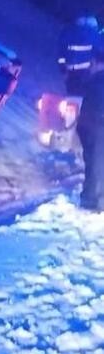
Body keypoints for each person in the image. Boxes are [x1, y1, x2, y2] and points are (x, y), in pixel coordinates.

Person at [77, 45, 104, 210]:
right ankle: (93, 198)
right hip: (96, 127)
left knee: (95, 164)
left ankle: (92, 199)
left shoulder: (96, 81)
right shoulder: (96, 81)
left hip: (96, 128)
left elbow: (91, 107)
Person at [57, 13, 102, 96]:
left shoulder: (69, 32)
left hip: (69, 69)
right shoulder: (93, 35)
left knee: (71, 92)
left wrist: (62, 68)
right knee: (78, 94)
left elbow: (61, 51)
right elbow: (99, 49)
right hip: (83, 71)